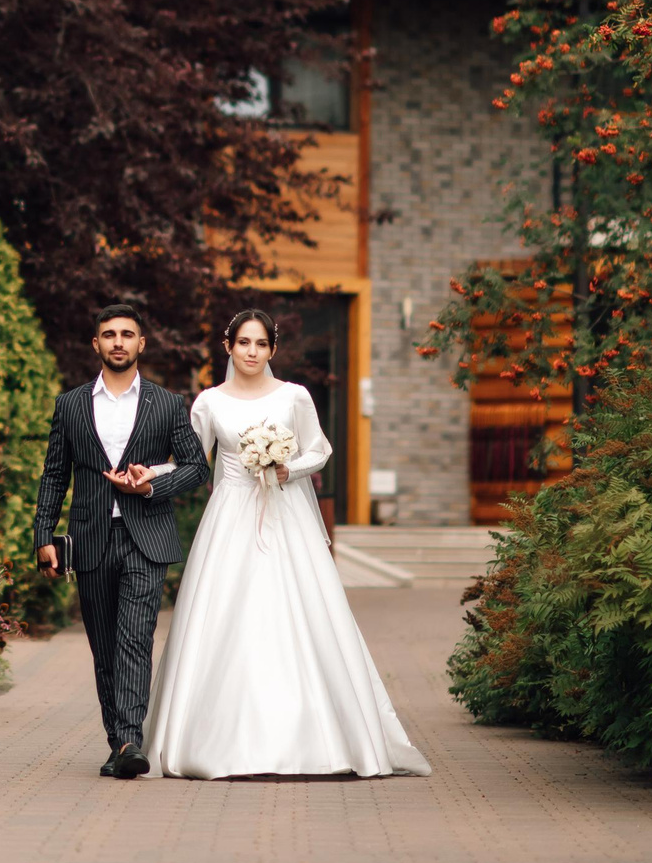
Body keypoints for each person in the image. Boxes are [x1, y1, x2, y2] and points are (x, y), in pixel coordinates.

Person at [144, 308, 430, 780]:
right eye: (243, 343)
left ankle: (320, 738)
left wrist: (287, 468)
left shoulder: (294, 397)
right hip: (231, 515)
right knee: (224, 613)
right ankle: (212, 740)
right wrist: (149, 474)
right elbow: (191, 463)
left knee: (301, 611)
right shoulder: (208, 403)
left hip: (286, 515)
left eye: (260, 344)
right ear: (228, 347)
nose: (251, 352)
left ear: (272, 350)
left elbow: (319, 450)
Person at [33, 305, 209, 780]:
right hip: (90, 538)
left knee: (134, 638)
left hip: (145, 536)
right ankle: (118, 742)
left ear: (140, 344)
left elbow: (196, 467)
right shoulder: (69, 405)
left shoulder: (168, 404)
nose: (117, 342)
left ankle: (131, 739)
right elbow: (54, 474)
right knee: (104, 646)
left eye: (127, 334)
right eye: (108, 334)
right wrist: (42, 536)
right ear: (96, 344)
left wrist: (150, 484)